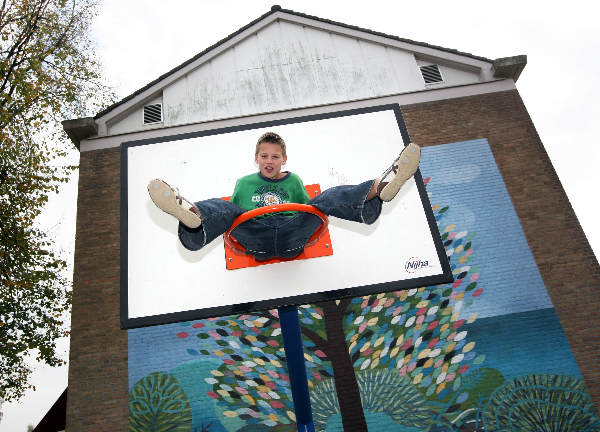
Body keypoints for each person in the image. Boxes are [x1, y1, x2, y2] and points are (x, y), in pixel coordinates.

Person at [148, 131, 420, 260]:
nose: (269, 160)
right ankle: (191, 214)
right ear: (256, 158)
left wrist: (305, 212)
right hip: (255, 240)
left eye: (275, 156)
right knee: (228, 208)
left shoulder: (295, 180)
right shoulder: (244, 183)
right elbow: (236, 220)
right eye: (264, 156)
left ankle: (381, 187)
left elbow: (307, 209)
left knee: (323, 200)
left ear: (284, 160)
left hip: (293, 236)